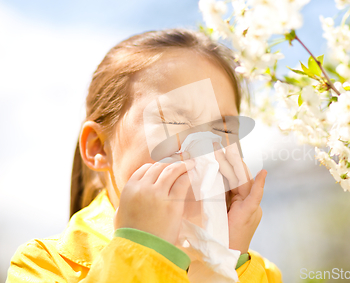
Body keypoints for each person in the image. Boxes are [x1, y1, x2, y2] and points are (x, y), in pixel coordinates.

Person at [6, 28, 282, 282]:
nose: (203, 148)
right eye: (175, 121)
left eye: (222, 129)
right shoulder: (41, 265)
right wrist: (142, 249)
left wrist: (224, 262)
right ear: (99, 148)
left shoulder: (260, 273)